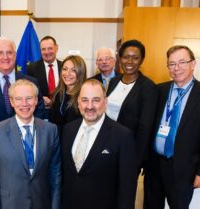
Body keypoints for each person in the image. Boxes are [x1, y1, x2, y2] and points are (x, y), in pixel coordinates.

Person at [0, 79, 61, 209]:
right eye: (18, 99)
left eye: (29, 98)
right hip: (9, 204)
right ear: (12, 102)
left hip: (42, 203)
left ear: (36, 100)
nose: (24, 104)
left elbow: (56, 175)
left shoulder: (50, 130)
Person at [61, 79, 137, 209]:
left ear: (105, 102)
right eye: (85, 100)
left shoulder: (122, 136)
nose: (90, 106)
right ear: (78, 102)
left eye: (96, 100)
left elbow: (127, 188)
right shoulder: (68, 130)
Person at [144, 45, 200, 209]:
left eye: (182, 62)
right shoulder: (159, 90)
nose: (176, 68)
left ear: (193, 64)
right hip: (155, 165)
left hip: (184, 168)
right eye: (172, 64)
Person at [0, 36, 45, 139]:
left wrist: (26, 134)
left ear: (15, 55)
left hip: (26, 140)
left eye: (9, 53)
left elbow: (39, 111)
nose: (5, 57)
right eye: (0, 53)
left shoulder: (31, 82)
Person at [106, 39, 157, 168]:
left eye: (135, 58)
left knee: (124, 187)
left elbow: (145, 128)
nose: (129, 62)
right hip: (107, 143)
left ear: (142, 60)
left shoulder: (148, 87)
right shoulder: (114, 82)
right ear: (120, 58)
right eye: (126, 57)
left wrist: (136, 159)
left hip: (129, 149)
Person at [49, 55, 86, 135]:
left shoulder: (84, 97)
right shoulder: (58, 93)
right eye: (65, 69)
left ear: (80, 72)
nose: (67, 74)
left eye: (73, 70)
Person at [27, 36, 62, 109]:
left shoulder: (64, 67)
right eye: (43, 49)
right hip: (41, 110)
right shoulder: (32, 68)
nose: (47, 52)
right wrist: (40, 98)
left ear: (56, 48)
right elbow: (29, 91)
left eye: (50, 48)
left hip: (61, 110)